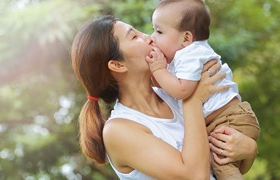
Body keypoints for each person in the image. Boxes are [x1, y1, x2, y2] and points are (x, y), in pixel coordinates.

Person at [71, 15, 258, 179]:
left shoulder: (172, 94)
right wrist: (192, 98)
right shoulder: (118, 130)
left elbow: (221, 165)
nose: (150, 38)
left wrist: (249, 149)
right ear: (117, 65)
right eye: (135, 36)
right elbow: (196, 175)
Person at [146, 0, 260, 179]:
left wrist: (158, 69)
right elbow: (168, 86)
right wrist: (156, 72)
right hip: (222, 122)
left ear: (186, 38)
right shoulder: (180, 58)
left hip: (231, 119)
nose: (152, 37)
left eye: (159, 31)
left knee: (223, 168)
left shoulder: (192, 54)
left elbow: (181, 91)